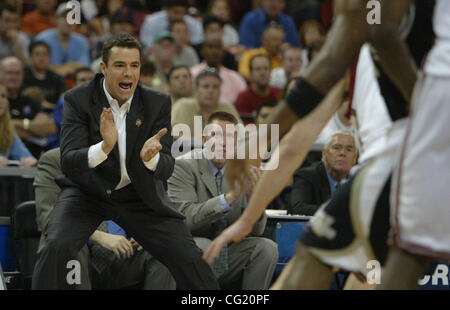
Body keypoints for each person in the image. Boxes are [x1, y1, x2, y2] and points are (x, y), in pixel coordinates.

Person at [203, 0, 420, 290]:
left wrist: (248, 217)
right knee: (361, 274)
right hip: (409, 182)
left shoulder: (366, 51)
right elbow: (294, 143)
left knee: (310, 262)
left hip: (401, 172)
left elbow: (295, 143)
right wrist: (249, 217)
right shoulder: (357, 61)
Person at [31, 32, 220, 290]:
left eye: (134, 65)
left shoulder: (157, 102)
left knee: (189, 257)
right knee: (55, 246)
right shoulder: (78, 99)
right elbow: (70, 161)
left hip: (139, 195)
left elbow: (166, 166)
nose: (128, 73)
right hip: (88, 193)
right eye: (120, 65)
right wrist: (103, 147)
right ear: (104, 68)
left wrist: (151, 160)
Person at [33, 148, 176, 290]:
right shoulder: (55, 160)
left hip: (124, 257)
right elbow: (49, 218)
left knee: (162, 247)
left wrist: (145, 232)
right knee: (70, 243)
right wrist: (97, 236)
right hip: (80, 252)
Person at [167, 111, 278, 289]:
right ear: (204, 140)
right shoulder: (182, 166)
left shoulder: (245, 171)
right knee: (204, 246)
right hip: (193, 246)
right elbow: (184, 219)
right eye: (215, 135)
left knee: (266, 247)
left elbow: (257, 230)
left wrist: (253, 202)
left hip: (228, 252)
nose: (222, 142)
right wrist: (227, 199)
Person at [289, 130, 357, 216]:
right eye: (336, 148)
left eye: (349, 149)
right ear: (324, 154)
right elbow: (298, 208)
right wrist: (338, 213)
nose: (342, 153)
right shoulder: (306, 176)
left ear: (355, 158)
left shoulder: (360, 180)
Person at [0, 56, 56, 158]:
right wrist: (33, 130)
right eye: (9, 73)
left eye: (17, 73)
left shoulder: (29, 100)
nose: (14, 77)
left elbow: (50, 128)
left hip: (30, 155)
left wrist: (19, 124)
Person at [172, 68, 241, 141]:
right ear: (196, 89)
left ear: (220, 91)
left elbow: (241, 134)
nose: (210, 91)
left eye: (215, 87)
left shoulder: (227, 107)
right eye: (205, 86)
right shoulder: (183, 106)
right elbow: (173, 134)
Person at [36, 3, 91, 77]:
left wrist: (56, 68)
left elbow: (84, 68)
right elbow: (39, 67)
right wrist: (71, 66)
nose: (69, 22)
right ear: (56, 19)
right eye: (65, 17)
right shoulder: (43, 39)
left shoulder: (82, 41)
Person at [46, 67, 95, 150]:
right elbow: (74, 134)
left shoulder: (101, 103)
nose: (88, 83)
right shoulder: (65, 103)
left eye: (91, 79)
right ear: (74, 85)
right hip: (61, 149)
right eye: (82, 80)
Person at [191, 36, 247, 104]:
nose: (214, 51)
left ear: (223, 52)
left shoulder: (235, 78)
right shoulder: (192, 74)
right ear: (202, 51)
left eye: (218, 47)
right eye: (210, 47)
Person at [235, 54, 281, 122]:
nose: (262, 73)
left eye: (266, 68)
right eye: (258, 69)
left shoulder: (280, 94)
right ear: (251, 73)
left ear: (271, 72)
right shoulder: (243, 99)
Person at [0, 81, 36, 166]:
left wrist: (31, 162)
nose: (0, 101)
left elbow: (26, 156)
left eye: (3, 96)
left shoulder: (7, 129)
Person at [21, 41, 66, 105]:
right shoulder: (22, 77)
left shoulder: (57, 78)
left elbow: (63, 102)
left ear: (49, 57)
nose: (41, 58)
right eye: (37, 54)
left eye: (44, 54)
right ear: (30, 57)